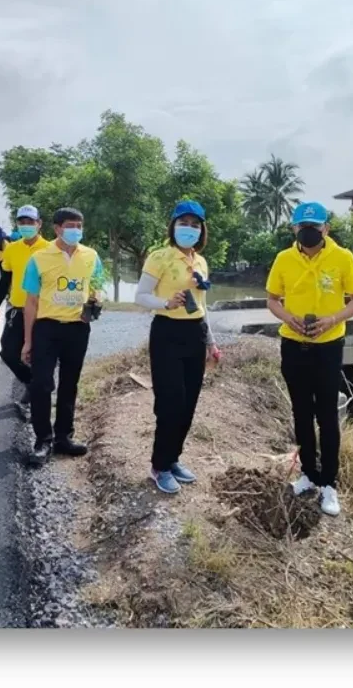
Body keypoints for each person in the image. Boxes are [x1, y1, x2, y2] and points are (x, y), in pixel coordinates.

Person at [266, 202, 353, 517]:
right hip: (293, 345)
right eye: (303, 226)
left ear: (326, 228)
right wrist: (289, 318)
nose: (309, 231)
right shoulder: (284, 259)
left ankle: (329, 483)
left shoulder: (343, 257)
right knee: (301, 413)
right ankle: (308, 474)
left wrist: (333, 319)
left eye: (315, 226)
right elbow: (272, 299)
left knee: (327, 415)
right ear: (294, 228)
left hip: (328, 347)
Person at [134, 200, 222, 494]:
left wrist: (211, 342)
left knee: (188, 404)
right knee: (170, 402)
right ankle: (159, 466)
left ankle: (173, 459)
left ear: (202, 231)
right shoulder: (159, 257)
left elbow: (202, 306)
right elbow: (141, 296)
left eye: (195, 225)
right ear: (173, 226)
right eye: (183, 223)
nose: (189, 229)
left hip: (195, 334)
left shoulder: (201, 262)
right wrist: (166, 302)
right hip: (167, 333)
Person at [20, 207, 105, 467]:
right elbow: (30, 302)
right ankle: (43, 440)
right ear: (57, 228)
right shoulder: (39, 258)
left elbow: (98, 287)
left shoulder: (91, 256)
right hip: (47, 328)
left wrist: (97, 301)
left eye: (79, 226)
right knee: (41, 384)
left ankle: (63, 438)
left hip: (78, 328)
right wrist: (28, 341)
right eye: (70, 226)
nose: (75, 230)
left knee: (70, 384)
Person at [0, 205, 50, 417]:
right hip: (17, 310)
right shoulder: (12, 249)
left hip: (43, 312)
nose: (26, 226)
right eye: (22, 222)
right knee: (8, 352)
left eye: (30, 222)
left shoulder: (50, 249)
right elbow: (4, 279)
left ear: (39, 224)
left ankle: (34, 400)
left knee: (39, 357)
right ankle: (33, 384)